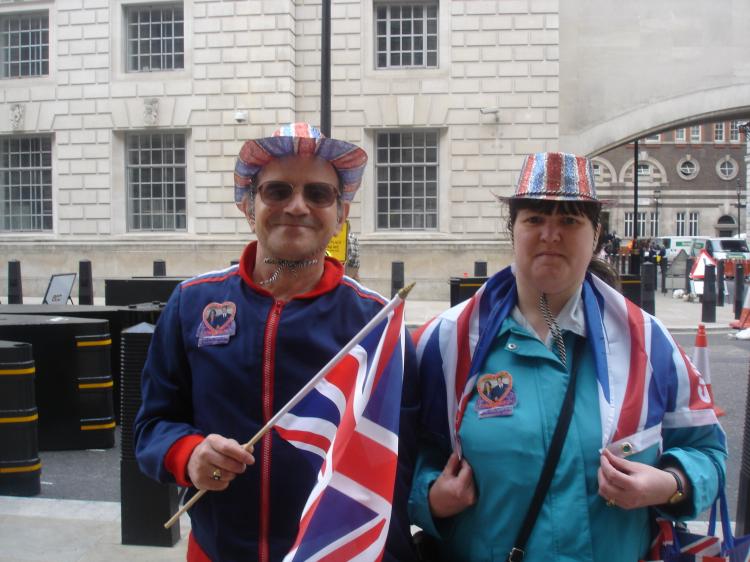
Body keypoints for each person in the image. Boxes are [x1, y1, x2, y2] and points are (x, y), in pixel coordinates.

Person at [409, 152, 726, 562]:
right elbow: (403, 456)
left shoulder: (650, 343)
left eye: (570, 221)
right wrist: (430, 497)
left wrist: (670, 484)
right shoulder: (444, 342)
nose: (551, 235)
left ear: (595, 235)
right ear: (513, 230)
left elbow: (708, 452)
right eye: (535, 219)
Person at [134, 123, 418, 561]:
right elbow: (152, 426)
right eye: (277, 191)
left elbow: (402, 455)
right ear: (249, 206)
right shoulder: (193, 303)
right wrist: (188, 455)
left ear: (341, 213)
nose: (297, 206)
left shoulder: (376, 321)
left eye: (319, 194)